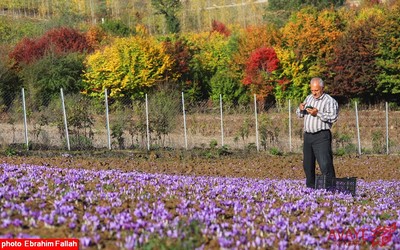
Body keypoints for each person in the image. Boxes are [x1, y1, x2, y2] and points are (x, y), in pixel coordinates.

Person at [296, 77, 339, 188]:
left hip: (321, 136)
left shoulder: (329, 101)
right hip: (308, 136)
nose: (314, 93)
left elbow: (333, 117)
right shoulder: (309, 98)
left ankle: (330, 188)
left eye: (316, 90)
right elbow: (299, 114)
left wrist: (318, 113)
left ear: (322, 88)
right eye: (312, 90)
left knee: (325, 164)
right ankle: (310, 188)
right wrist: (300, 109)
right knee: (307, 165)